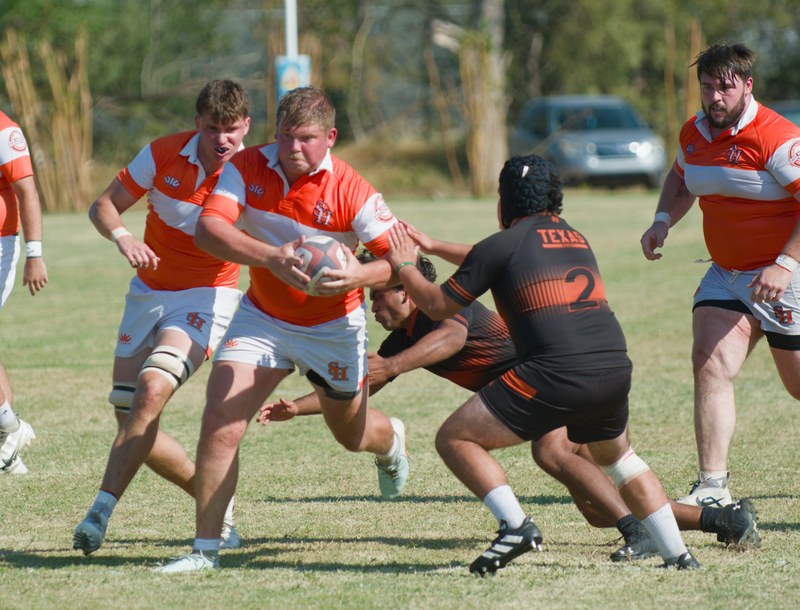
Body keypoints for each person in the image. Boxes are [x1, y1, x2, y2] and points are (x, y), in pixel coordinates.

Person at [260, 252, 760, 563]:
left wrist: (394, 367)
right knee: (595, 506)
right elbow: (359, 389)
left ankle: (639, 533)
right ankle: (723, 522)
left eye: (378, 297)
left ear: (407, 296)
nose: (373, 307)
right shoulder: (399, 341)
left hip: (548, 380)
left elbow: (453, 338)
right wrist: (297, 407)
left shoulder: (442, 311)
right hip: (538, 393)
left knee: (552, 454)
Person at [381, 154, 701, 575]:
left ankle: (514, 526)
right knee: (622, 462)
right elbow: (492, 257)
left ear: (505, 202)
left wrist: (405, 265)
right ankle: (679, 555)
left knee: (455, 438)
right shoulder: (573, 237)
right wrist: (434, 246)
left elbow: (438, 303)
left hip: (555, 372)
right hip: (613, 367)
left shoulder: (503, 244)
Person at [154, 85, 408, 573]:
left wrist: (358, 274)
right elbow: (210, 230)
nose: (292, 148)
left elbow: (404, 262)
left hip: (333, 327)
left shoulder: (353, 190)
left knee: (351, 435)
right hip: (262, 318)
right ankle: (207, 548)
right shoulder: (246, 166)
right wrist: (272, 257)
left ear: (330, 137)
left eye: (307, 138)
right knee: (221, 422)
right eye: (285, 136)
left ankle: (390, 441)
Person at [72, 80, 251, 555]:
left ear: (246, 127)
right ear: (197, 124)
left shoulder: (256, 171)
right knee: (128, 414)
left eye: (231, 129)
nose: (222, 140)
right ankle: (214, 499)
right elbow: (103, 205)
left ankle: (100, 511)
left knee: (152, 390)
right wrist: (124, 238)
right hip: (147, 294)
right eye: (213, 128)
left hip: (207, 296)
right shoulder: (162, 154)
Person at [640, 43, 800, 508]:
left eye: (725, 88)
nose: (715, 98)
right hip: (726, 275)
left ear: (747, 86)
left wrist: (785, 263)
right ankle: (712, 485)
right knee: (709, 363)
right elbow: (680, 176)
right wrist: (662, 220)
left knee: (796, 386)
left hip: (785, 274)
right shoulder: (694, 131)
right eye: (707, 87)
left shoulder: (777, 137)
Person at [0, 110, 48, 474]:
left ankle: (9, 428)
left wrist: (35, 254)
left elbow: (26, 190)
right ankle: (10, 441)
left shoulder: (5, 130)